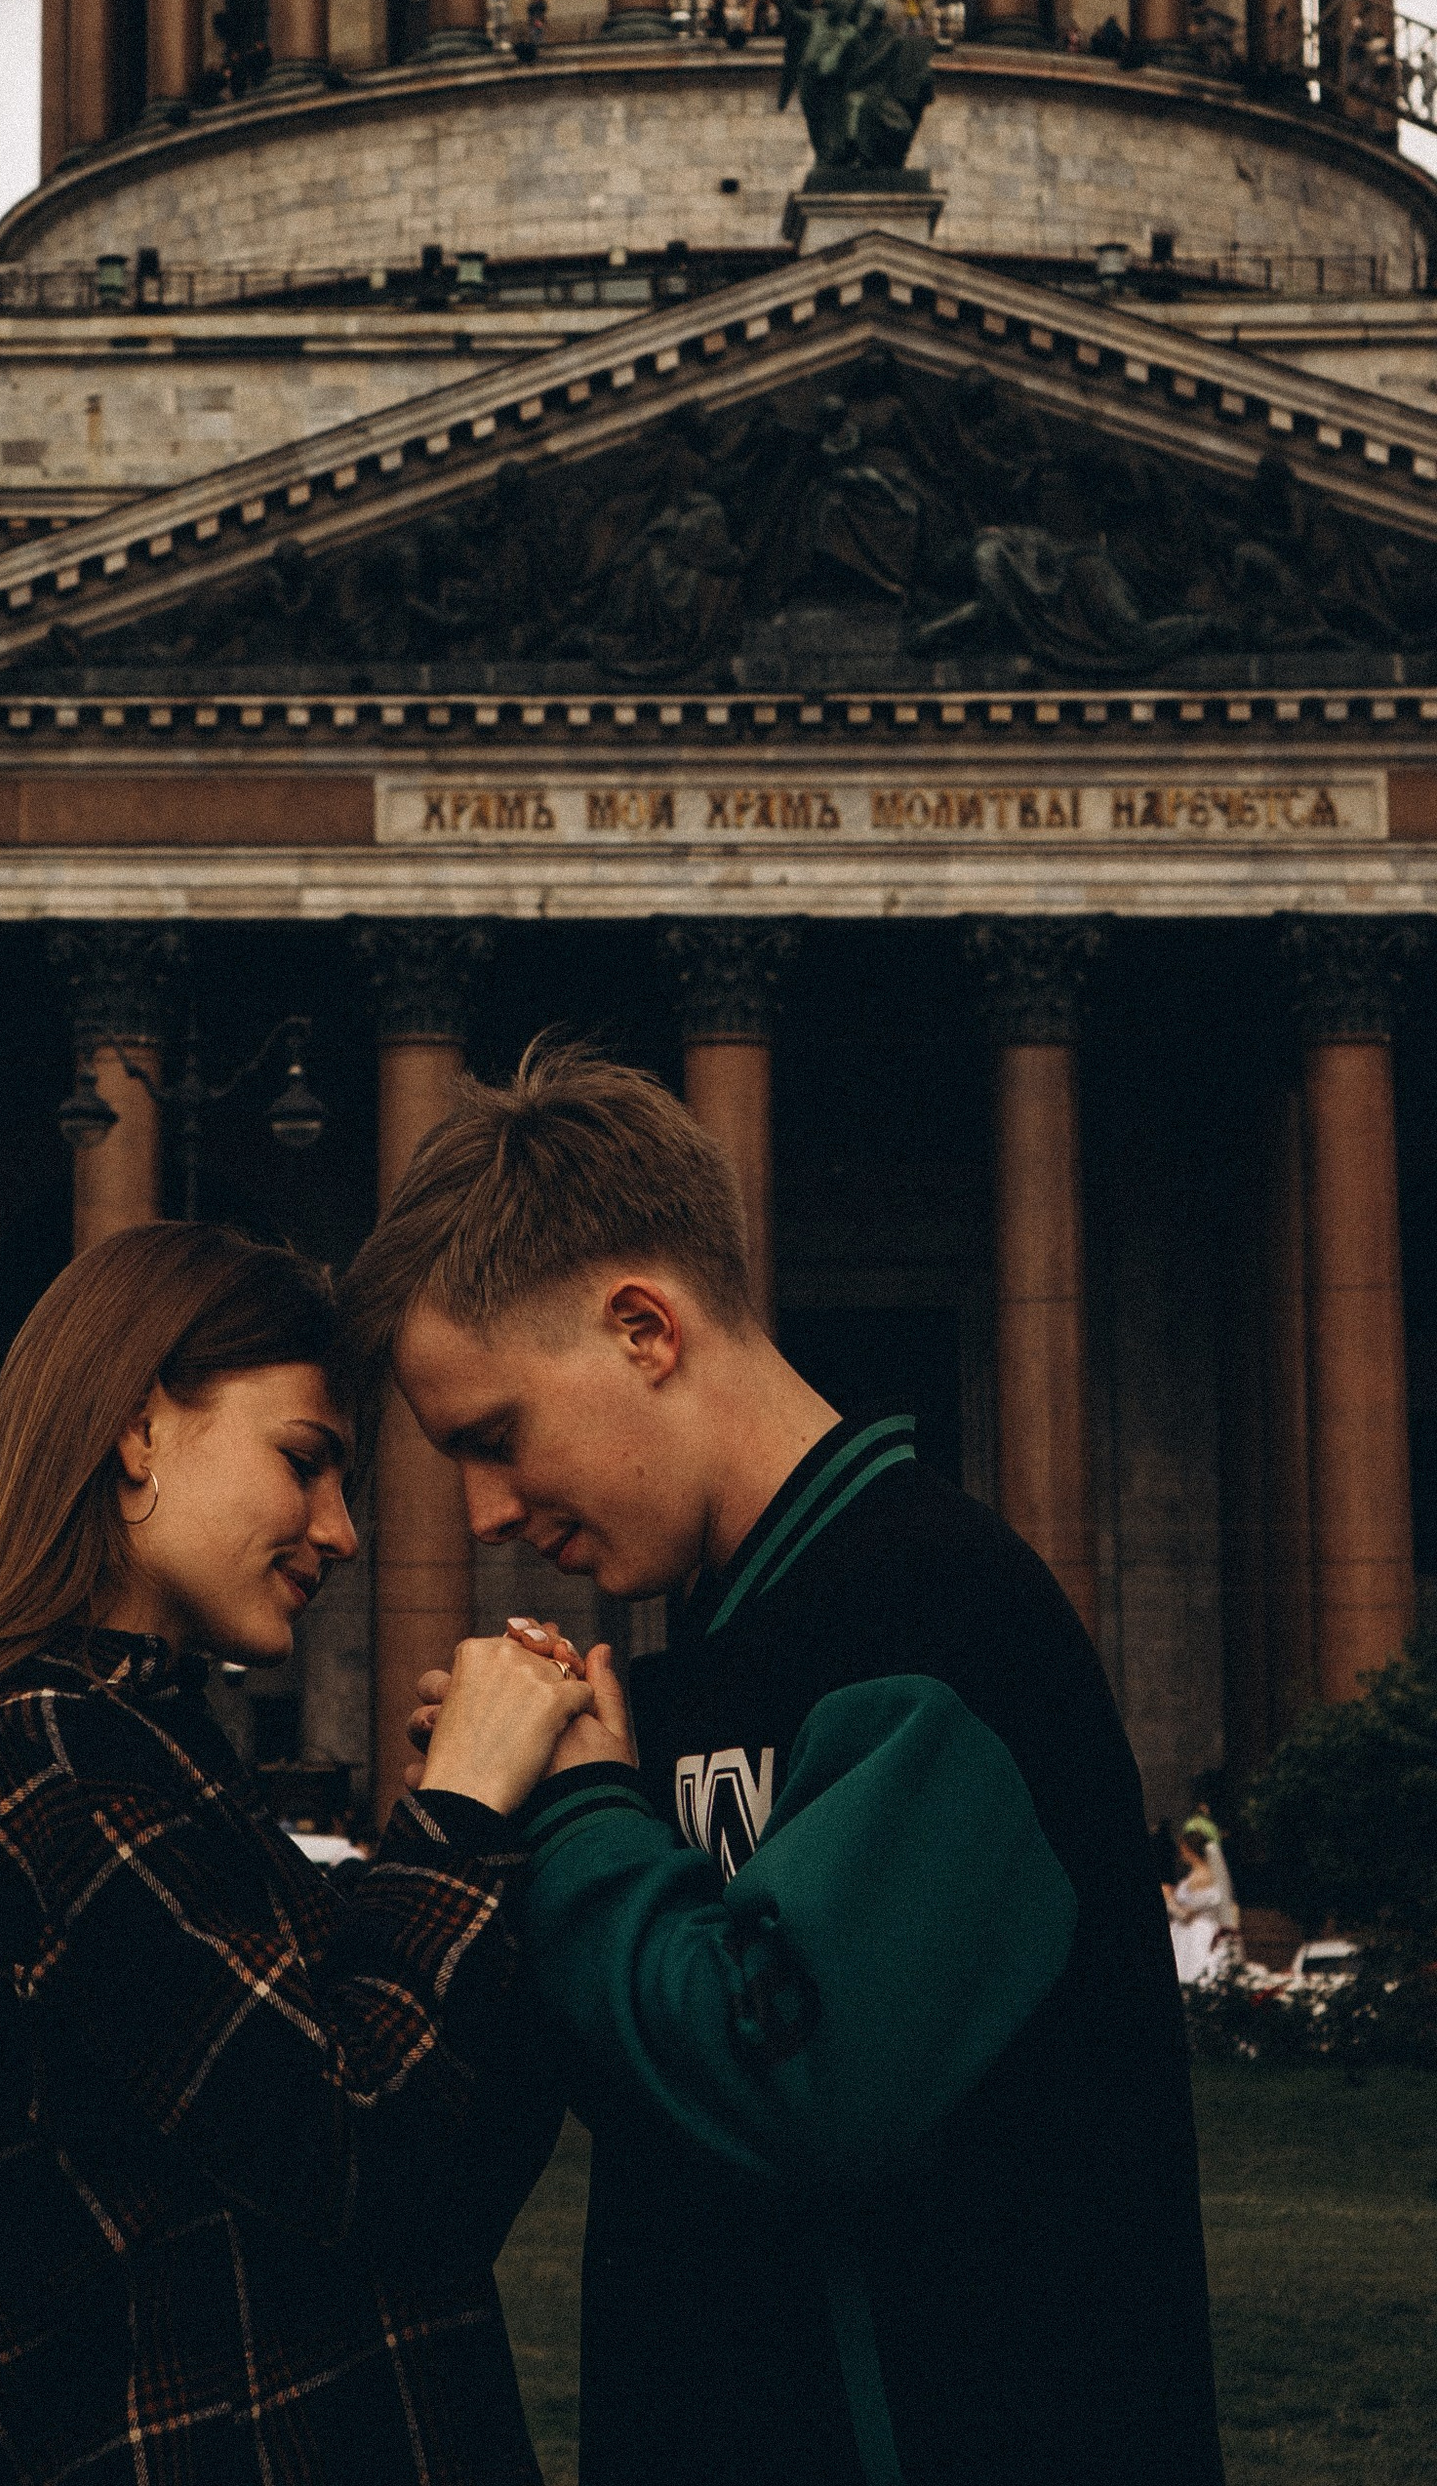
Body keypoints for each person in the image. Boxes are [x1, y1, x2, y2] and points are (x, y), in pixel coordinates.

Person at [347, 1041, 1222, 2486]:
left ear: (644, 1328)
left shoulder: (932, 1616)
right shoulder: (719, 1638)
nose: (484, 1511)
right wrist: (483, 1832)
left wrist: (578, 1816)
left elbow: (798, 2083)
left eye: (495, 1437)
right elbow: (646, 2088)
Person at [0, 1222, 587, 2486]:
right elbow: (353, 2141)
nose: (341, 1532)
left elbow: (435, 2188)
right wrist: (459, 1815)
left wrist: (513, 1836)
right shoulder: (42, 1748)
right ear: (138, 1430)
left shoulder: (146, 1742)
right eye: (304, 1463)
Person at [1166, 1810, 1240, 1986]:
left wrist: (1168, 1899)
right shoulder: (1203, 1875)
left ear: (1188, 1849)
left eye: (1182, 1848)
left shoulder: (1201, 1877)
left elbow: (1186, 1915)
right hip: (1196, 1931)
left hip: (1196, 1935)